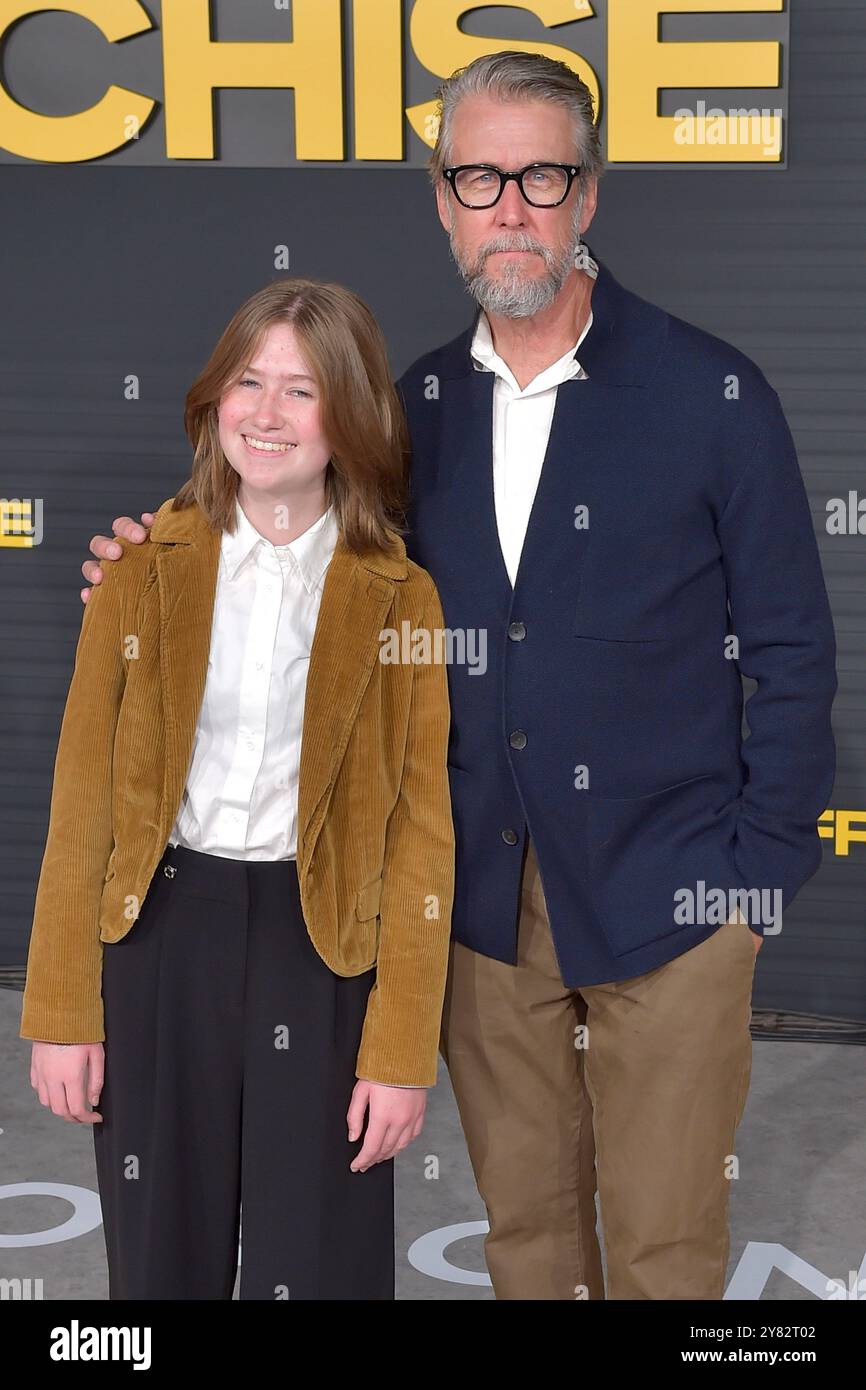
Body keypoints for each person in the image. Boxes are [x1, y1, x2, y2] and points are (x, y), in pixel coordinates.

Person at [77, 53, 837, 1301]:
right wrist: (149, 551)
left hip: (673, 901)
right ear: (442, 199)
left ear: (586, 194)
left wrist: (755, 879)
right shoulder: (407, 407)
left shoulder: (712, 394)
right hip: (480, 914)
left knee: (663, 1247)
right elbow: (285, 521)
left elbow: (793, 651)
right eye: (480, 178)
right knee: (526, 1240)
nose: (511, 208)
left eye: (541, 175)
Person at [21, 278, 455, 1301]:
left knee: (325, 1263)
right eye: (246, 382)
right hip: (164, 937)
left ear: (347, 417)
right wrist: (60, 1012)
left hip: (323, 951)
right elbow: (80, 802)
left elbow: (420, 834)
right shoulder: (141, 571)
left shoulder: (402, 595)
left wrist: (400, 1051)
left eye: (300, 391)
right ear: (212, 398)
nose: (265, 414)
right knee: (158, 1258)